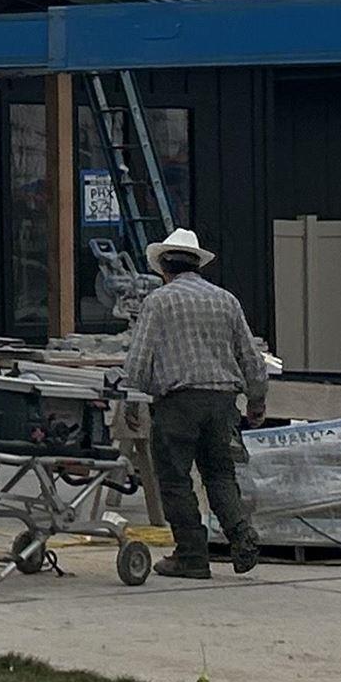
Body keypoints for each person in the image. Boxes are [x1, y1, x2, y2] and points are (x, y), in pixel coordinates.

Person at [121, 227, 267, 578]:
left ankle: (191, 554)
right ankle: (240, 535)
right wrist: (257, 400)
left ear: (164, 269)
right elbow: (250, 357)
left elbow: (139, 358)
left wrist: (129, 397)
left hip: (178, 403)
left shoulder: (158, 301)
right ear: (196, 265)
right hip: (221, 403)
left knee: (174, 480)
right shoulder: (225, 299)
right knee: (219, 473)